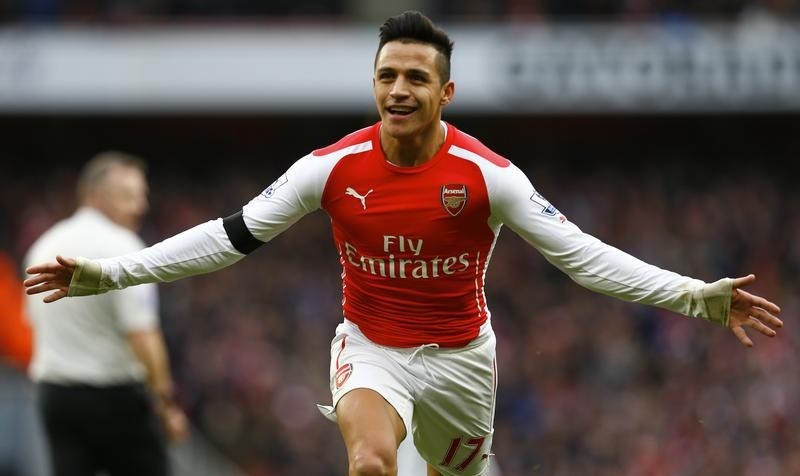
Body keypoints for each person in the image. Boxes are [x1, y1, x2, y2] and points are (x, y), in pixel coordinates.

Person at [24, 12, 782, 476]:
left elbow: (583, 255)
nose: (398, 90)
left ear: (444, 93)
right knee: (372, 462)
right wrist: (109, 274)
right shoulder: (330, 168)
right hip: (371, 346)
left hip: (462, 359)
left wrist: (694, 296)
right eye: (387, 75)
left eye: (417, 78)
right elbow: (230, 237)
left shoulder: (490, 178)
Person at [23, 151, 188, 476]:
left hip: (56, 395)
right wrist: (166, 406)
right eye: (128, 196)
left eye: (142, 195)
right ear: (96, 197)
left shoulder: (44, 244)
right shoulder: (123, 246)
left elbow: (33, 322)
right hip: (114, 399)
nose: (140, 206)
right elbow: (143, 334)